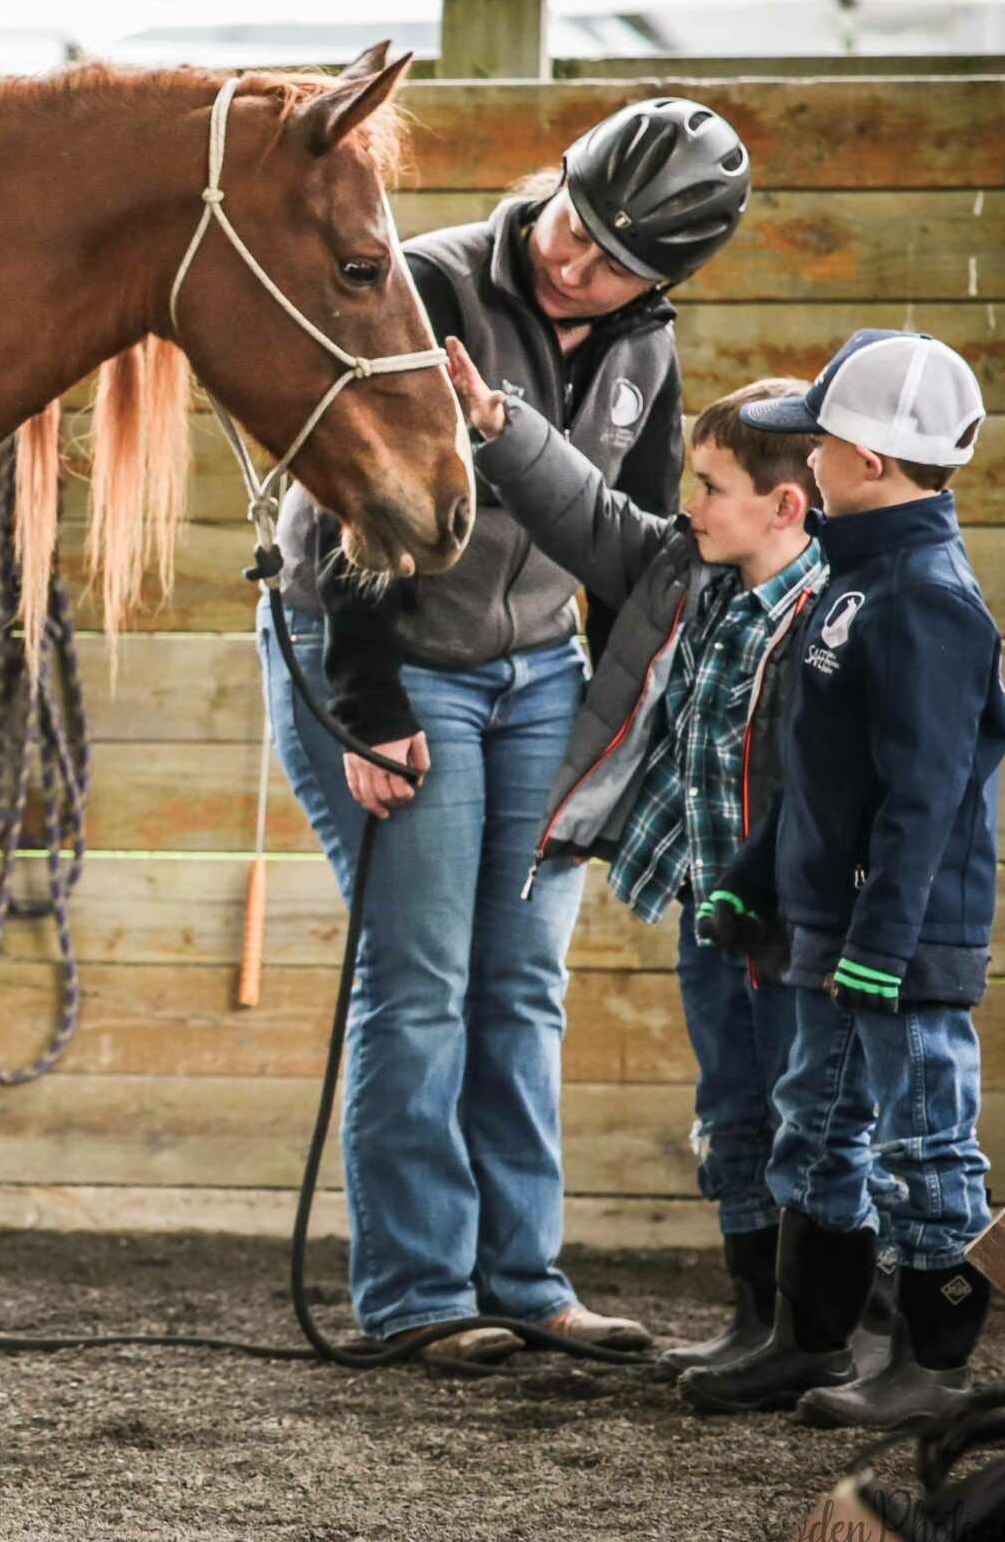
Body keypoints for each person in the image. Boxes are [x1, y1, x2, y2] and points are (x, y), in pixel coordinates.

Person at [259, 96, 751, 1363]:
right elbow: (343, 499)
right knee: (418, 980)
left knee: (522, 983)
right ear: (558, 184)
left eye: (612, 264)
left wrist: (622, 724)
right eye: (573, 228)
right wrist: (365, 711)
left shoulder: (648, 354)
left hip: (539, 676)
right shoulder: (425, 286)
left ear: (662, 281)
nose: (572, 264)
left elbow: (636, 559)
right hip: (390, 658)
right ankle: (420, 1294)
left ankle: (525, 1279)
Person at [439, 344, 874, 1383]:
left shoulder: (840, 615)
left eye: (710, 489)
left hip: (799, 928)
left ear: (785, 508)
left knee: (806, 1116)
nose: (688, 506)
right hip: (709, 915)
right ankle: (755, 1315)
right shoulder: (686, 574)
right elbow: (585, 515)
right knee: (729, 1108)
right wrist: (501, 427)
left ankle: (822, 1332)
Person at [679, 330, 1005, 1429]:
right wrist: (751, 879)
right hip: (829, 927)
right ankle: (807, 1339)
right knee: (812, 1132)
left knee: (925, 1142)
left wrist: (884, 943)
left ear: (866, 461)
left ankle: (935, 1364)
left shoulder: (927, 600)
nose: (802, 462)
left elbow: (924, 798)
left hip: (900, 945)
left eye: (814, 443)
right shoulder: (851, 583)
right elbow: (816, 778)